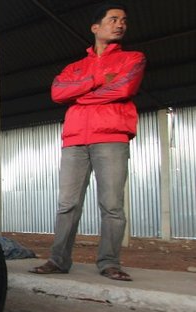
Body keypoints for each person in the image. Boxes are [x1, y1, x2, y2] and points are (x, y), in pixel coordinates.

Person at [29, 4, 146, 282]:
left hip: (112, 136)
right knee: (67, 204)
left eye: (123, 21)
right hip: (75, 140)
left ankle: (109, 263)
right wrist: (95, 80)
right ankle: (58, 261)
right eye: (113, 19)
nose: (120, 25)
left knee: (112, 205)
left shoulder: (133, 58)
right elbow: (57, 92)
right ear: (96, 27)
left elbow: (124, 88)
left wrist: (79, 94)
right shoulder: (75, 67)